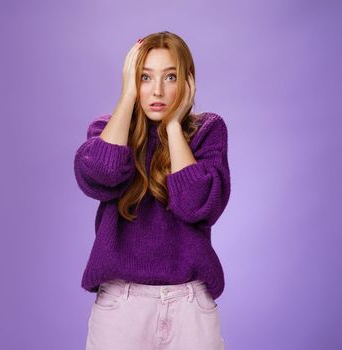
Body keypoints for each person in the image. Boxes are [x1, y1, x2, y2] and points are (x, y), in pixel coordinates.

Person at [74, 31, 231, 350]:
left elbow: (197, 204)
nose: (157, 90)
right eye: (145, 77)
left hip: (191, 308)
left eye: (170, 77)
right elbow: (100, 176)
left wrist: (173, 125)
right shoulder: (107, 132)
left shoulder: (207, 132)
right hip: (121, 307)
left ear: (187, 82)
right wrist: (127, 98)